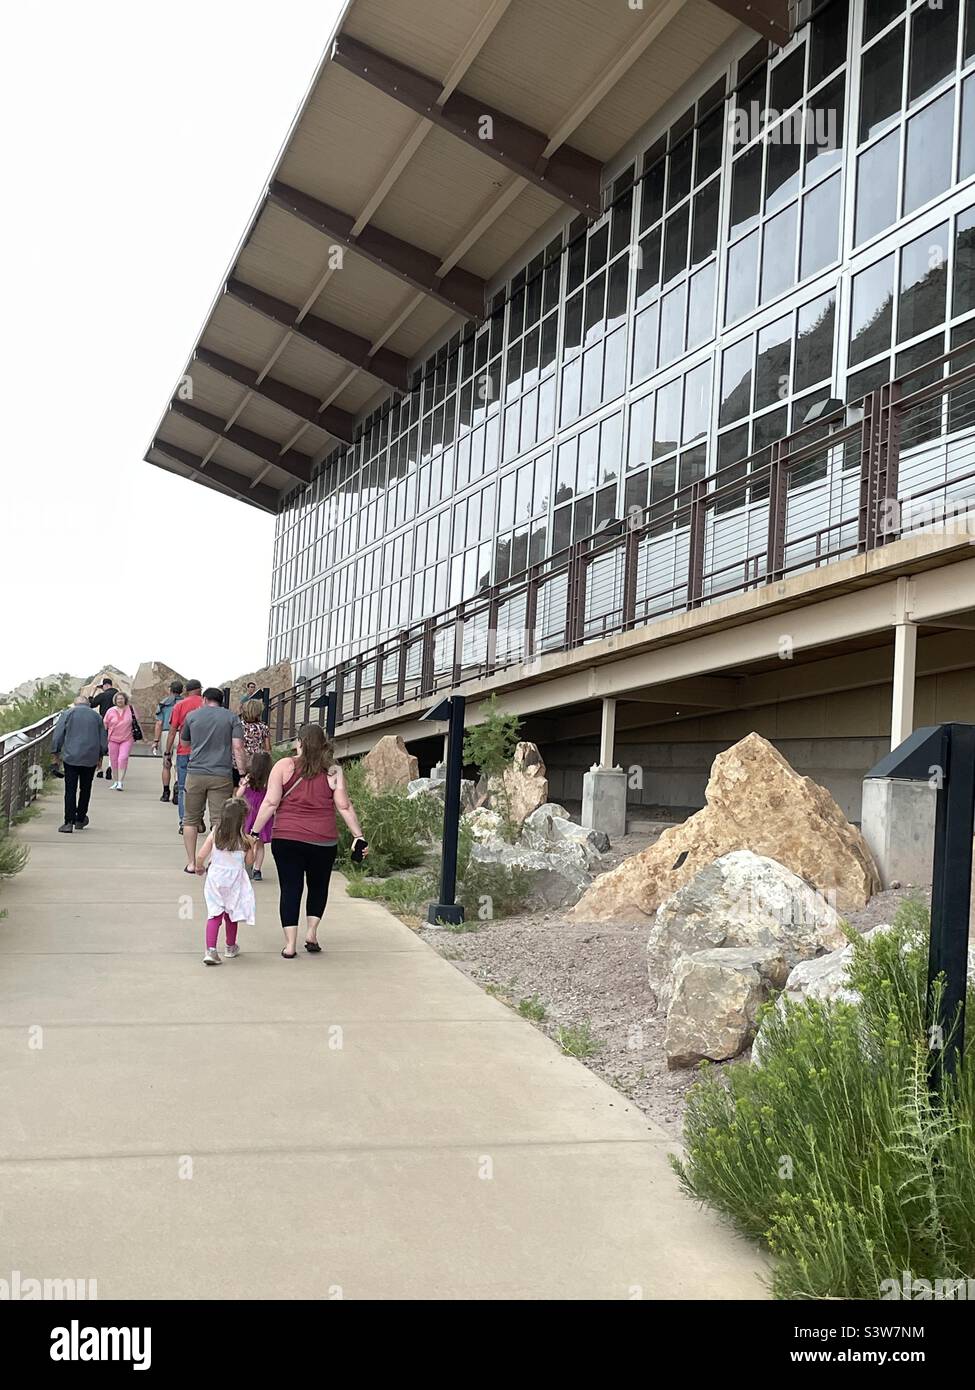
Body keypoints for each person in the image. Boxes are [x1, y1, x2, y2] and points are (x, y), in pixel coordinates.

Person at [250, 723, 367, 958]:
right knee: (318, 886)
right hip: (323, 840)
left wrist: (254, 832)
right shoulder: (334, 771)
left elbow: (271, 802)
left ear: (300, 743)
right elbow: (343, 805)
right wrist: (358, 835)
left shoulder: (284, 766)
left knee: (291, 888)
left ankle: (290, 945)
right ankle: (311, 933)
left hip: (287, 837)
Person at [180, 688, 247, 874]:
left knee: (190, 819)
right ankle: (214, 860)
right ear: (222, 701)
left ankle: (192, 863)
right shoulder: (232, 718)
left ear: (204, 699)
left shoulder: (192, 716)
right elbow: (238, 747)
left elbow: (184, 743)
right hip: (221, 774)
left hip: (195, 773)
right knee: (219, 820)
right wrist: (242, 774)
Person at [194, 798, 256, 966]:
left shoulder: (215, 833)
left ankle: (211, 950)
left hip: (215, 878)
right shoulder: (245, 839)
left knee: (214, 914)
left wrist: (199, 867)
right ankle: (230, 946)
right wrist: (253, 846)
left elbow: (201, 856)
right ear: (243, 819)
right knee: (231, 915)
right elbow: (250, 862)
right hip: (235, 881)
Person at [51, 695, 108, 833]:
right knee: (85, 788)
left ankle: (68, 822)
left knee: (70, 790)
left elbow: (58, 735)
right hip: (90, 758)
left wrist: (55, 752)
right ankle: (80, 818)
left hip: (71, 757)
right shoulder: (97, 717)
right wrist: (101, 755)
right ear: (88, 704)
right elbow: (103, 739)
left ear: (75, 704)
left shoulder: (67, 713)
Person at [166, 679, 204, 832]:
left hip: (184, 750)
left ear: (187, 690)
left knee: (183, 788)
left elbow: (172, 730)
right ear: (200, 689)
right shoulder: (207, 704)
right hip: (203, 752)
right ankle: (198, 819)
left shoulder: (179, 705)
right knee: (201, 788)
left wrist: (167, 752)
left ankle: (184, 822)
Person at [235, 751, 272, 880]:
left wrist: (244, 784)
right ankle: (257, 870)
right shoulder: (269, 780)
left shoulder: (249, 778)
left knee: (247, 842)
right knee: (260, 844)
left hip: (249, 813)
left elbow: (238, 795)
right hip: (264, 814)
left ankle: (247, 865)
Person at [152, 680, 184, 802]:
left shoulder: (163, 704)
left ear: (170, 689)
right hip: (181, 733)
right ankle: (177, 791)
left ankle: (166, 792)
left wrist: (156, 740)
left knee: (166, 764)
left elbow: (159, 723)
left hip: (166, 732)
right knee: (178, 764)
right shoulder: (184, 703)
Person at [103, 691, 140, 791]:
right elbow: (105, 724)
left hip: (127, 738)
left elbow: (136, 721)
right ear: (115, 700)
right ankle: (115, 781)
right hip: (112, 739)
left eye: (122, 698)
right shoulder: (110, 711)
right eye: (118, 698)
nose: (120, 700)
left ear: (125, 700)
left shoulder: (130, 709)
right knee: (114, 760)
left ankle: (120, 782)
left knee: (122, 758)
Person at [89, 677, 118, 780]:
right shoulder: (119, 695)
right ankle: (111, 766)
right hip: (117, 725)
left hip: (104, 723)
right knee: (113, 746)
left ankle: (99, 769)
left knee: (100, 746)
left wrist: (93, 691)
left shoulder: (103, 695)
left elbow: (91, 704)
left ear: (105, 685)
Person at [240, 699, 271, 768]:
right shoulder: (263, 727)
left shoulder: (238, 726)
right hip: (256, 763)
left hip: (240, 761)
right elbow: (268, 748)